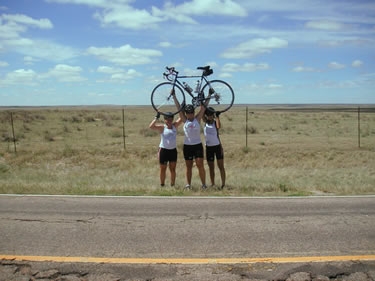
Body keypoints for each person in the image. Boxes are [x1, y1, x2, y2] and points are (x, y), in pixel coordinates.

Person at [177, 103, 207, 190]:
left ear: (194, 112)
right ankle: (188, 185)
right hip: (187, 146)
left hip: (197, 145)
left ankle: (204, 185)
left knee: (200, 164)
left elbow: (203, 108)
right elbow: (178, 108)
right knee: (188, 166)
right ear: (186, 113)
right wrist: (174, 96)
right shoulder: (184, 120)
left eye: (191, 112)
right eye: (188, 113)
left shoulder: (197, 119)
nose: (190, 114)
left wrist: (208, 96)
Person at [149, 111, 183, 187]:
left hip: (173, 151)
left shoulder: (175, 126)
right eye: (167, 119)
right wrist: (156, 118)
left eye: (171, 119)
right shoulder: (162, 127)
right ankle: (162, 185)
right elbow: (151, 126)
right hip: (164, 150)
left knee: (173, 169)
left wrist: (181, 109)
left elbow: (182, 118)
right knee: (163, 169)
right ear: (165, 120)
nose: (169, 121)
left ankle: (172, 185)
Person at [203, 107, 226, 189]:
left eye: (211, 114)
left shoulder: (215, 122)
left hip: (217, 146)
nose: (209, 116)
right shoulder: (205, 122)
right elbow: (202, 112)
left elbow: (219, 126)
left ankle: (223, 184)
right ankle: (213, 184)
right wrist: (203, 103)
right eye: (208, 115)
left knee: (221, 166)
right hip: (209, 148)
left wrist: (217, 116)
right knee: (211, 167)